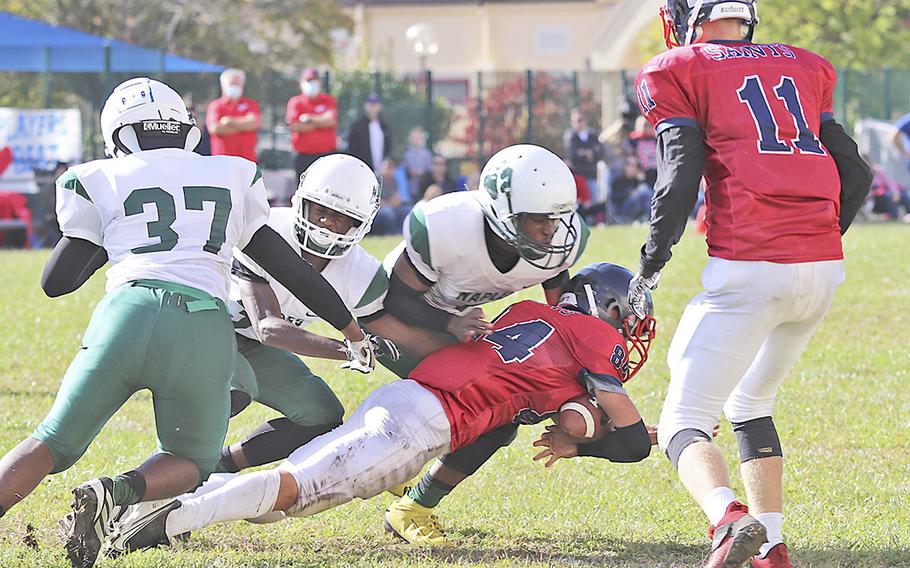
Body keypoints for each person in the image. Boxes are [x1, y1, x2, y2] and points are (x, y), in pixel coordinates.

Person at [0, 77, 378, 568]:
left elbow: (58, 282)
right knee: (193, 462)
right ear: (186, 129)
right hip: (204, 327)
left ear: (118, 133)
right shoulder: (231, 174)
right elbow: (292, 269)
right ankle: (117, 491)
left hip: (127, 314)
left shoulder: (102, 177)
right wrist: (350, 332)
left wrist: (114, 238)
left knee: (51, 441)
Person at [102, 262, 655, 556]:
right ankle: (165, 518)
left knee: (280, 500)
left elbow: (541, 403)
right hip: (423, 425)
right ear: (599, 308)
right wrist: (602, 437)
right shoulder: (591, 337)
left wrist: (574, 430)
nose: (627, 333)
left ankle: (170, 504)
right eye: (623, 317)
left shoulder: (532, 313)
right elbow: (626, 441)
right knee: (291, 491)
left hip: (406, 398)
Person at [627, 2, 872, 567]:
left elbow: (680, 173)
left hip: (750, 264)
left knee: (683, 422)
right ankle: (773, 548)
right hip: (821, 269)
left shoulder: (676, 67)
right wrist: (820, 236)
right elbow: (853, 170)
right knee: (751, 401)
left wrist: (652, 261)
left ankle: (728, 518)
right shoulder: (807, 65)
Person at [379, 144, 590, 545]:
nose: (551, 230)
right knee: (487, 407)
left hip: (460, 324)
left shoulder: (559, 242)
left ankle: (401, 478)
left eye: (557, 219)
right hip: (396, 320)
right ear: (503, 213)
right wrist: (449, 323)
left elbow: (559, 308)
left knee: (497, 410)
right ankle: (409, 503)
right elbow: (393, 299)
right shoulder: (446, 226)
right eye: (539, 220)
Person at [216, 153, 446, 476]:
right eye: (320, 210)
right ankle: (173, 469)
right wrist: (347, 349)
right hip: (213, 331)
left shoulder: (362, 273)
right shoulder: (265, 231)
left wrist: (441, 378)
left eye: (340, 217)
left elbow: (391, 331)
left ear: (360, 223)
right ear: (301, 201)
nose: (326, 223)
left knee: (321, 415)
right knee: (235, 390)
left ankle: (222, 463)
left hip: (258, 348)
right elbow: (269, 327)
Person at [287, 68, 338, 181]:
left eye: (315, 80)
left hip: (326, 156)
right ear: (302, 83)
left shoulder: (328, 100)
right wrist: (321, 123)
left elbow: (331, 121)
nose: (312, 84)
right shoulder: (296, 102)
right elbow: (295, 126)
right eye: (309, 80)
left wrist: (310, 119)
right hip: (304, 157)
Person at [206, 69, 261, 162]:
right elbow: (215, 128)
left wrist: (228, 121)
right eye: (232, 84)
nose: (235, 87)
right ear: (223, 86)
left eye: (237, 84)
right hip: (222, 162)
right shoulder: (216, 105)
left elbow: (254, 124)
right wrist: (244, 126)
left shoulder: (251, 104)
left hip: (247, 161)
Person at [564, 108, 604, 211]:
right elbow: (572, 153)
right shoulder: (571, 136)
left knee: (594, 204)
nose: (578, 123)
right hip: (577, 176)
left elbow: (600, 152)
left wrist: (586, 153)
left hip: (591, 174)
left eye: (580, 120)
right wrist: (588, 153)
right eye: (575, 121)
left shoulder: (593, 136)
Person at [346, 93, 390, 175]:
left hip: (382, 173)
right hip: (362, 172)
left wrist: (386, 162)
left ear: (379, 106)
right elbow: (352, 149)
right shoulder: (357, 126)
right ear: (365, 106)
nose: (373, 107)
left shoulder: (384, 125)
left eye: (375, 104)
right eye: (370, 104)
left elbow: (388, 148)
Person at [370, 157, 411, 236]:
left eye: (392, 167)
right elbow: (375, 201)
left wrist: (390, 203)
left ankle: (401, 233)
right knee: (388, 212)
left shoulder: (394, 181)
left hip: (390, 206)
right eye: (387, 167)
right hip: (376, 209)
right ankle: (391, 233)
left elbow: (397, 199)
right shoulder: (375, 180)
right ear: (381, 168)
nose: (389, 170)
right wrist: (388, 203)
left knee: (406, 210)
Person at [610, 156, 654, 223]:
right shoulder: (619, 180)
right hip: (623, 208)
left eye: (635, 166)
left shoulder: (637, 180)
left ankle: (651, 218)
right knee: (643, 189)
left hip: (637, 207)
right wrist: (633, 193)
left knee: (645, 189)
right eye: (630, 165)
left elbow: (650, 194)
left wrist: (642, 180)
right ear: (625, 167)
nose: (632, 168)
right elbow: (616, 198)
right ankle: (652, 218)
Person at [401, 126, 433, 198]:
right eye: (414, 137)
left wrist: (422, 173)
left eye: (418, 137)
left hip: (424, 187)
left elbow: (430, 170)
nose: (416, 139)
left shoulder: (427, 154)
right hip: (410, 189)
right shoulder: (406, 154)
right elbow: (403, 170)